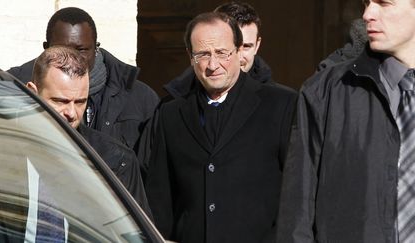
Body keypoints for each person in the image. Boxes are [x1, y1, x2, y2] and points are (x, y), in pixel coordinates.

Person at [145, 12, 297, 243]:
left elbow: (296, 192)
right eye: (203, 55)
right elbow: (160, 199)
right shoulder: (171, 113)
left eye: (222, 53)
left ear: (238, 51)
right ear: (190, 57)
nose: (213, 65)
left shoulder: (281, 105)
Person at [277, 0, 415, 242]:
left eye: (384, 3)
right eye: (366, 2)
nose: (367, 14)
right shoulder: (324, 92)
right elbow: (297, 212)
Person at [137, 1, 274, 177]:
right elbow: (150, 173)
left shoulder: (278, 105)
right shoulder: (170, 109)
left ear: (257, 45)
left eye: (245, 46)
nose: (238, 56)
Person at [8, 7, 159, 152]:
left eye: (81, 50)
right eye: (60, 100)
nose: (72, 57)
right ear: (46, 47)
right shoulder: (14, 88)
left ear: (96, 48)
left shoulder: (140, 98)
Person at [26, 46, 151, 217]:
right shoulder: (0, 152)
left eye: (79, 102)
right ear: (32, 94)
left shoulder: (116, 160)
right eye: (60, 101)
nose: (71, 113)